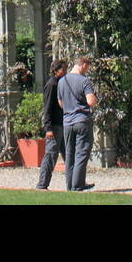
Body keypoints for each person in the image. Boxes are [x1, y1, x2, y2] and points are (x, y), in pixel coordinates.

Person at [57, 55, 97, 192]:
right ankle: (78, 185)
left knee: (69, 154)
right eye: (87, 67)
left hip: (67, 123)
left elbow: (60, 103)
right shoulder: (84, 81)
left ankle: (70, 185)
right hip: (82, 120)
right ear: (83, 65)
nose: (87, 70)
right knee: (81, 153)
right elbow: (91, 101)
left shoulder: (62, 81)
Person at [35, 59, 68, 190]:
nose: (65, 72)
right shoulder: (52, 85)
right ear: (56, 70)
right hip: (54, 125)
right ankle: (42, 184)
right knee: (50, 155)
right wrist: (48, 128)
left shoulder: (59, 83)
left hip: (62, 124)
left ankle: (74, 183)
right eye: (63, 69)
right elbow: (47, 108)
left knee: (69, 154)